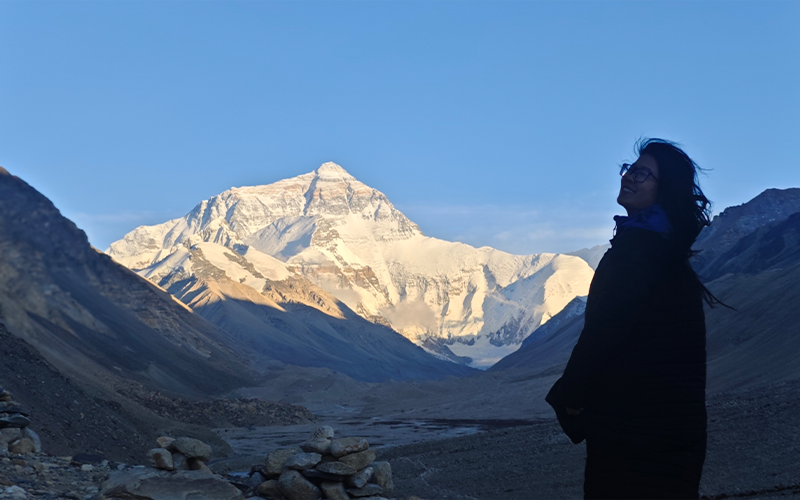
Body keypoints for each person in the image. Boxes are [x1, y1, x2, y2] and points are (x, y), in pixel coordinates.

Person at [546, 138, 721, 499]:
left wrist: (571, 398)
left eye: (643, 173)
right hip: (673, 430)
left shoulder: (637, 252)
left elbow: (604, 331)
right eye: (630, 169)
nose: (630, 177)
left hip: (634, 433)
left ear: (664, 188)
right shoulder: (665, 251)